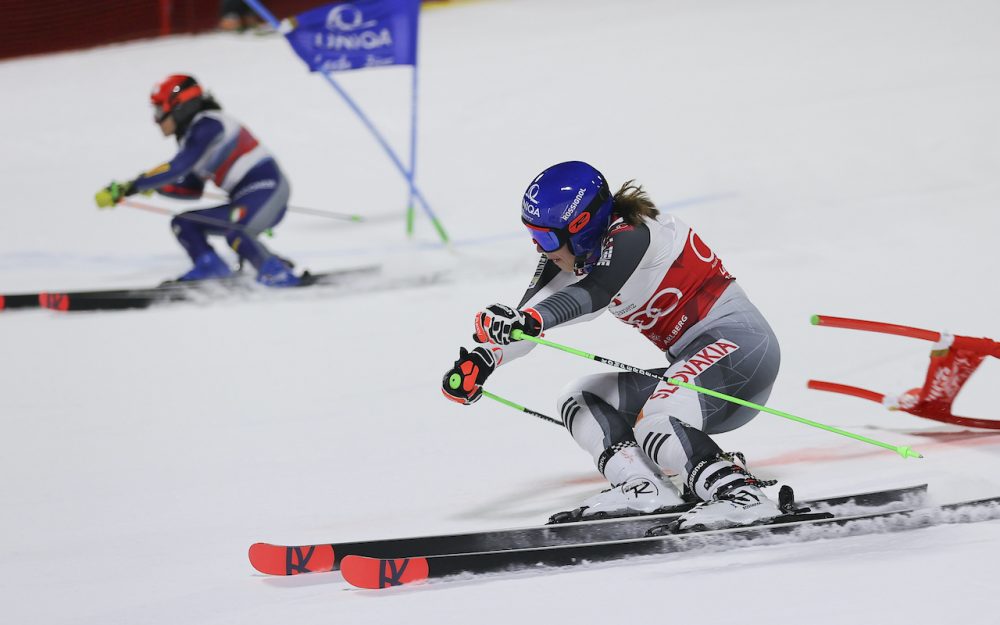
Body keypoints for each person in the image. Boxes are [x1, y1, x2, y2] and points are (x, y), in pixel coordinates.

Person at [442, 161, 784, 531]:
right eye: (533, 236)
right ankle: (644, 487)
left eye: (546, 238)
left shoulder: (635, 234)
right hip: (700, 372)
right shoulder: (574, 254)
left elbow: (596, 293)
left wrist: (530, 320)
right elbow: (526, 323)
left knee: (659, 414)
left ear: (582, 227)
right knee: (580, 398)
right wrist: (482, 360)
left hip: (741, 351)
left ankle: (741, 496)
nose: (539, 248)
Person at [95, 74, 300, 286]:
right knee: (184, 223)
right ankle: (211, 268)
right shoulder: (192, 138)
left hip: (268, 189)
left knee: (237, 232)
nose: (156, 120)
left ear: (179, 107)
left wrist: (134, 186)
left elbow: (177, 168)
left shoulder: (209, 124)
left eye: (159, 111)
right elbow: (191, 190)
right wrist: (157, 187)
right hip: (245, 199)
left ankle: (276, 273)